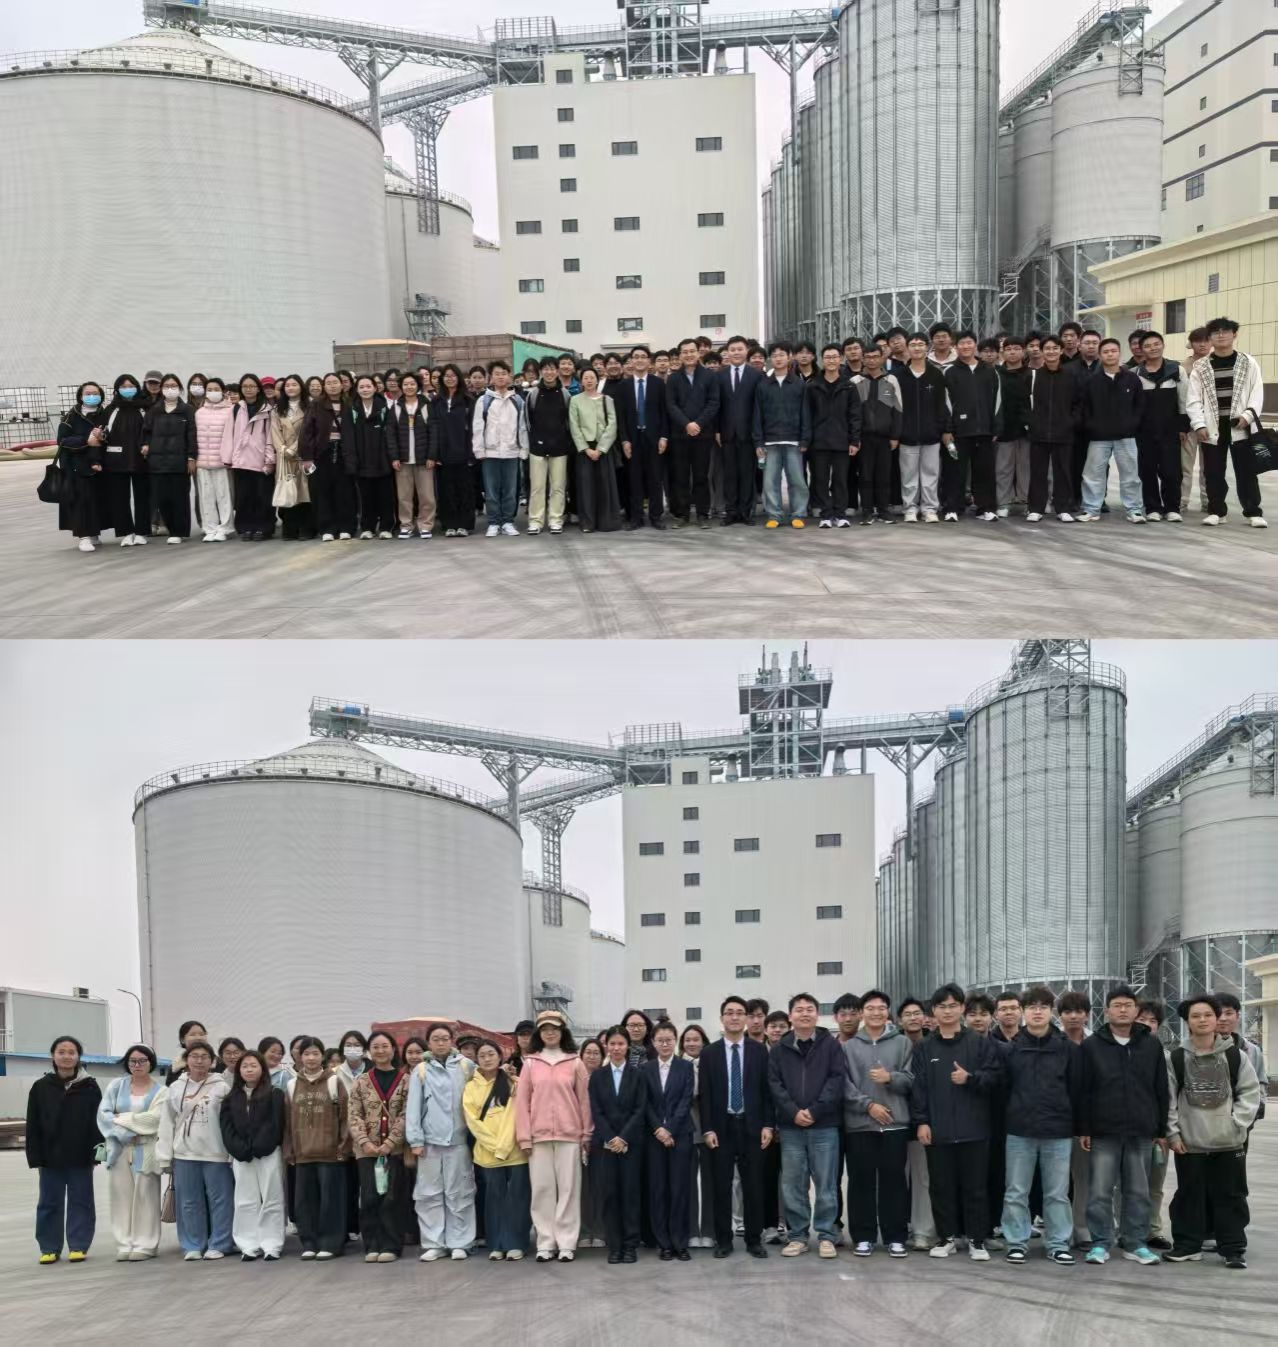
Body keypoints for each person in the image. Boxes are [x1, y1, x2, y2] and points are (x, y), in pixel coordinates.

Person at [1164, 994, 1262, 1269]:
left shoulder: (1235, 1056)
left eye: (1208, 1015)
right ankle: (1187, 1245)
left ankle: (1232, 1248)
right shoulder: (1176, 1058)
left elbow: (1250, 1093)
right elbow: (1169, 1099)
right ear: (1187, 1022)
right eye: (1195, 1016)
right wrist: (1173, 1134)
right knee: (1189, 1194)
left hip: (1228, 1141)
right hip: (1190, 1142)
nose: (1202, 1020)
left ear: (1216, 1018)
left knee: (1231, 1195)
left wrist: (1236, 1124)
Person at [910, 983, 1005, 1261]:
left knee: (976, 1188)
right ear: (934, 1011)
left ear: (962, 1008)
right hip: (938, 1130)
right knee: (941, 1187)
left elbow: (995, 1078)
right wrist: (922, 1122)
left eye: (953, 1006)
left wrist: (970, 1079)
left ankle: (977, 1240)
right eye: (942, 1006)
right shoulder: (924, 1047)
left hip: (974, 1129)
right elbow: (919, 1088)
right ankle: (947, 1237)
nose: (948, 1011)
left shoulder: (979, 1043)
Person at [1077, 985, 1168, 1266]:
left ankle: (1135, 1243)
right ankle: (1100, 1243)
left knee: (1139, 1192)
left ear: (1136, 1010)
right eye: (1117, 1005)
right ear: (1107, 1011)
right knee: (1100, 1191)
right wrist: (1084, 1128)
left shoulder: (1150, 1044)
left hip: (1141, 1131)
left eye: (1128, 1005)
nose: (1123, 1010)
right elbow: (1083, 1090)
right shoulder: (1092, 1046)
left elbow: (1160, 1088)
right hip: (1104, 1131)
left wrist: (1160, 1130)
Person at [999, 987, 1080, 1266]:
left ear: (1051, 1011)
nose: (1037, 1012)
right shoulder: (1011, 1049)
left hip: (1057, 1131)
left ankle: (1057, 1244)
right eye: (1031, 1007)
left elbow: (1076, 1090)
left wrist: (1074, 1125)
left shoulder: (1067, 1048)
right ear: (1023, 1012)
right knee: (1016, 1191)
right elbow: (1003, 1089)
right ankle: (1016, 1242)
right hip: (1019, 1130)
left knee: (1057, 1193)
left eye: (1043, 1007)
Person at [769, 993, 847, 1259]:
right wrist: (793, 1112)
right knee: (793, 1185)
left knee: (826, 1184)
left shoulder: (831, 1046)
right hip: (791, 1128)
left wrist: (814, 1111)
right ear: (790, 1016)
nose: (804, 1013)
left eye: (809, 1009)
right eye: (799, 1009)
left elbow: (836, 1081)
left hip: (824, 1126)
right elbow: (775, 1085)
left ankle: (826, 1235)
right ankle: (798, 1236)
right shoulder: (779, 1049)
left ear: (817, 1014)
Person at [699, 995, 775, 1258]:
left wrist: (768, 1125)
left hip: (752, 1127)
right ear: (722, 1018)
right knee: (721, 1186)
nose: (734, 1017)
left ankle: (754, 1240)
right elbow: (705, 1095)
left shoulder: (759, 1051)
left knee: (753, 1185)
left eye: (739, 1012)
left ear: (746, 1018)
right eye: (729, 1012)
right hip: (721, 1129)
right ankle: (724, 1240)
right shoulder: (709, 1053)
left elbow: (767, 1092)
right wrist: (707, 1129)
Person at [514, 1010, 592, 1262]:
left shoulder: (575, 1062)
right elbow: (522, 1103)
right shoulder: (530, 1063)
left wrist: (586, 1134)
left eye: (554, 1029)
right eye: (545, 1029)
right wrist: (524, 1137)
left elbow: (584, 1102)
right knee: (542, 1190)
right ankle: (545, 1243)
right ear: (539, 1033)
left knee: (569, 1190)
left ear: (562, 1032)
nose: (550, 1033)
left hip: (570, 1136)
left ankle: (567, 1243)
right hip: (538, 1138)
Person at [842, 989, 914, 1258]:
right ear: (862, 1013)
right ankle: (863, 1236)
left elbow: (911, 1079)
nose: (876, 1013)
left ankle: (895, 1237)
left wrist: (890, 1078)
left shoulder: (903, 1043)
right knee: (860, 1181)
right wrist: (868, 1106)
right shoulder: (848, 1047)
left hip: (895, 1123)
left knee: (894, 1181)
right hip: (860, 1125)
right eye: (870, 1008)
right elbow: (843, 1085)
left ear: (888, 1012)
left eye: (881, 1008)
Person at [156, 1039, 235, 1260]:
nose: (199, 1061)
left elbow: (230, 1122)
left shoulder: (222, 1087)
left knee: (221, 1201)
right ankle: (192, 1244)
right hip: (184, 1154)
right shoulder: (175, 1088)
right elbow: (167, 1123)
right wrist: (165, 1156)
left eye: (204, 1057)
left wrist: (232, 1152)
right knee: (188, 1202)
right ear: (186, 1060)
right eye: (194, 1056)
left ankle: (220, 1243)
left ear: (212, 1061)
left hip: (217, 1153)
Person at [27, 1036, 103, 1263]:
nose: (67, 1056)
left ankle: (78, 1245)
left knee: (82, 1201)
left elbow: (98, 1122)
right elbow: (33, 1124)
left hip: (81, 1156)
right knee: (49, 1203)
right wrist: (35, 1157)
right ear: (53, 1056)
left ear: (78, 1057)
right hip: (50, 1157)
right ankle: (49, 1248)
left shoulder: (90, 1086)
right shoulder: (40, 1087)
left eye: (71, 1052)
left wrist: (97, 1153)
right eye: (61, 1052)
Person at [1186, 315, 1267, 527]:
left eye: (1225, 331)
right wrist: (1199, 424)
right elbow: (1193, 399)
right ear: (1210, 338)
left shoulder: (1248, 362)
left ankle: (1253, 512)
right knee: (1213, 472)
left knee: (1246, 470)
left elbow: (1257, 392)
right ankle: (1217, 511)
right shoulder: (1201, 366)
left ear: (1234, 334)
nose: (1221, 335)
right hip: (1212, 426)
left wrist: (1248, 416)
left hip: (1240, 425)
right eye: (1215, 332)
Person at [406, 1022, 476, 1261]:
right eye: (435, 1039)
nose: (441, 1043)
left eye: (445, 1038)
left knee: (460, 1192)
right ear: (429, 1042)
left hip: (458, 1140)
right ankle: (434, 1243)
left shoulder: (466, 1066)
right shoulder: (421, 1070)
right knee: (429, 1194)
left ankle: (460, 1242)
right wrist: (415, 1140)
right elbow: (413, 1108)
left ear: (451, 1040)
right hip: (429, 1142)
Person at [96, 1044, 166, 1262]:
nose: (137, 1065)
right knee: (121, 1196)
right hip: (119, 1150)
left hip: (146, 1149)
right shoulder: (116, 1086)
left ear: (151, 1063)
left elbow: (154, 1120)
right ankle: (124, 1243)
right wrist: (125, 1130)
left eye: (142, 1060)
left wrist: (122, 1118)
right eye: (133, 1061)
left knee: (146, 1197)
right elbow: (103, 1115)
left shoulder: (161, 1091)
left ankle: (145, 1244)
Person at [464, 1039, 531, 1261]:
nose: (487, 1059)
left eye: (491, 1054)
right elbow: (472, 1121)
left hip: (515, 1151)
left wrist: (503, 1146)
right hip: (487, 1153)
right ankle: (497, 1243)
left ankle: (516, 1243)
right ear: (476, 1059)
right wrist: (494, 1146)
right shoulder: (470, 1087)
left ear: (500, 1056)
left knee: (518, 1198)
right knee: (493, 1200)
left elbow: (515, 1116)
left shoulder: (514, 1082)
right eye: (482, 1055)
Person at [284, 1037, 349, 1259]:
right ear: (299, 1057)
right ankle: (309, 1243)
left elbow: (345, 1117)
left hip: (330, 1154)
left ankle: (331, 1243)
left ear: (322, 1056)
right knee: (305, 1202)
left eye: (315, 1053)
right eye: (306, 1054)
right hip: (303, 1154)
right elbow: (287, 1122)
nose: (311, 1058)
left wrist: (342, 1147)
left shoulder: (334, 1082)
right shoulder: (292, 1085)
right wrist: (290, 1150)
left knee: (331, 1201)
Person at [347, 1030, 409, 1262]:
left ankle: (391, 1245)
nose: (380, 1051)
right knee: (369, 1197)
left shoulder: (406, 1080)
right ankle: (372, 1244)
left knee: (391, 1198)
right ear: (369, 1052)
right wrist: (365, 1142)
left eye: (385, 1046)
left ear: (393, 1049)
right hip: (367, 1151)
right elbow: (354, 1114)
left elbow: (406, 1114)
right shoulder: (360, 1081)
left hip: (394, 1150)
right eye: (375, 1047)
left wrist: (391, 1142)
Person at [219, 1049, 287, 1262]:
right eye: (245, 1066)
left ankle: (272, 1244)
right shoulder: (231, 1098)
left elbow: (276, 1124)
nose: (249, 1070)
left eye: (253, 1065)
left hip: (268, 1153)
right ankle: (248, 1244)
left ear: (262, 1069)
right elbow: (227, 1128)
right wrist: (240, 1149)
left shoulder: (275, 1093)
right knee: (244, 1200)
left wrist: (260, 1146)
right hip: (242, 1156)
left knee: (272, 1198)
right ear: (239, 1071)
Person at [588, 1026, 646, 1263]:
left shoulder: (638, 1075)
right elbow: (596, 1110)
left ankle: (630, 1245)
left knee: (630, 1194)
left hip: (630, 1145)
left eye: (621, 1044)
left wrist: (623, 1138)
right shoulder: (597, 1076)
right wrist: (611, 1138)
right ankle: (614, 1246)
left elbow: (640, 1109)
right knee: (610, 1195)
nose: (616, 1048)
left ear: (627, 1046)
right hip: (606, 1145)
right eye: (612, 1044)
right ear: (606, 1046)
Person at [641, 1020, 695, 1261]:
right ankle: (663, 1243)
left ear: (675, 1041)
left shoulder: (685, 1067)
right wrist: (659, 1130)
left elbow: (686, 1101)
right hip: (654, 1138)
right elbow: (644, 1103)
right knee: (658, 1190)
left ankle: (680, 1242)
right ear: (653, 1043)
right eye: (660, 1040)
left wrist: (670, 1129)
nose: (665, 1044)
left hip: (680, 1135)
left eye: (669, 1040)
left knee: (679, 1189)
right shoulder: (645, 1069)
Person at [1077, 338, 1145, 523]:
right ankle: (1091, 509)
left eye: (1113, 351)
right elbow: (1084, 408)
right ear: (1100, 356)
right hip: (1098, 437)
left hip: (1126, 436)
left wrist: (1132, 424)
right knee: (1093, 474)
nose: (1110, 354)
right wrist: (1091, 426)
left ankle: (1134, 510)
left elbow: (1139, 405)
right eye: (1106, 352)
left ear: (1119, 353)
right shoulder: (1091, 381)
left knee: (1131, 475)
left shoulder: (1132, 379)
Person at [942, 331, 1001, 522]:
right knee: (954, 471)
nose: (965, 346)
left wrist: (995, 427)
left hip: (984, 431)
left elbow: (998, 401)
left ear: (975, 345)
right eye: (962, 343)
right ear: (955, 347)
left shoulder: (989, 371)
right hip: (958, 432)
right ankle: (952, 507)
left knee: (985, 471)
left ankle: (986, 508)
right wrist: (947, 429)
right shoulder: (949, 372)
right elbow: (945, 403)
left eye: (969, 343)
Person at [800, 344, 861, 529]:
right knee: (820, 479)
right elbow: (806, 415)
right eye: (828, 357)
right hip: (819, 442)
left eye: (835, 357)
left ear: (840, 359)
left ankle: (840, 514)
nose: (831, 360)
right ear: (822, 360)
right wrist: (806, 440)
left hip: (842, 441)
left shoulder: (849, 386)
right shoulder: (813, 386)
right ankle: (826, 514)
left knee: (840, 480)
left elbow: (855, 415)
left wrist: (854, 440)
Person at [665, 336, 721, 527]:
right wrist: (686, 424)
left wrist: (697, 423)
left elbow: (713, 403)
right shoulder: (673, 378)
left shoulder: (710, 377)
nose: (688, 355)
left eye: (692, 351)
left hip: (703, 434)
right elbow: (671, 405)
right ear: (680, 355)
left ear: (698, 353)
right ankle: (682, 514)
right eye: (685, 352)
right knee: (681, 476)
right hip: (679, 435)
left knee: (701, 476)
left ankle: (703, 514)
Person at [751, 341, 808, 529]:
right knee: (770, 481)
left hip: (793, 440)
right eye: (774, 355)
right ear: (770, 359)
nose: (778, 358)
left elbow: (805, 413)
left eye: (782, 354)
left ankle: (798, 514)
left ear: (789, 357)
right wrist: (758, 441)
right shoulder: (763, 385)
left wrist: (805, 438)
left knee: (797, 480)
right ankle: (774, 515)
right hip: (770, 441)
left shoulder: (799, 384)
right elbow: (757, 414)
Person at [1132, 331, 1187, 522]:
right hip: (1144, 431)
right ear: (1141, 350)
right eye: (1147, 346)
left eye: (1156, 344)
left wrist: (1183, 427)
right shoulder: (1136, 373)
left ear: (1163, 345)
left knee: (1171, 470)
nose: (1153, 348)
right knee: (1147, 470)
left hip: (1170, 430)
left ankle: (1172, 507)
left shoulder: (1176, 370)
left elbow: (1184, 400)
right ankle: (1152, 507)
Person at [615, 345, 670, 530]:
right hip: (632, 439)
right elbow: (620, 416)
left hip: (654, 438)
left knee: (655, 478)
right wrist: (624, 439)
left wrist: (664, 436)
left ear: (649, 361)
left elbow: (664, 413)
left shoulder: (658, 384)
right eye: (636, 357)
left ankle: (656, 516)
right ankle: (636, 517)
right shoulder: (623, 386)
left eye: (643, 357)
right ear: (631, 361)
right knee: (634, 479)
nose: (639, 360)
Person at [472, 360, 527, 538]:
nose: (501, 377)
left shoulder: (517, 400)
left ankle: (508, 521)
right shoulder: (484, 400)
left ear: (509, 376)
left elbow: (522, 427)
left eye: (504, 373)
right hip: (490, 452)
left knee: (511, 490)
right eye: (497, 374)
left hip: (511, 451)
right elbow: (478, 426)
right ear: (491, 378)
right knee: (491, 490)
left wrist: (523, 449)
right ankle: (494, 522)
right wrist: (479, 449)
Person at [897, 334, 949, 523]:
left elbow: (942, 405)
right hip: (907, 435)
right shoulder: (899, 376)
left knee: (931, 474)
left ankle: (929, 509)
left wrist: (944, 429)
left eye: (920, 344)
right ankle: (910, 508)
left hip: (931, 434)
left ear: (927, 348)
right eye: (913, 345)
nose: (917, 348)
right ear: (907, 348)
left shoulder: (936, 375)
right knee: (908, 475)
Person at [1025, 335, 1077, 522]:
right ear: (1042, 351)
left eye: (1055, 348)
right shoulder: (1034, 376)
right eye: (1047, 348)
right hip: (1038, 433)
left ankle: (1063, 508)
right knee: (1037, 472)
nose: (1051, 351)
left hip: (1064, 433)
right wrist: (1032, 423)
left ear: (1061, 351)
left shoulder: (1071, 375)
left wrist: (1071, 422)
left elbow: (1078, 403)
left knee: (1063, 472)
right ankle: (1036, 508)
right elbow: (1025, 403)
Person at [300, 373, 357, 541]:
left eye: (335, 382)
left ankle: (346, 527)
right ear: (324, 386)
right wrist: (307, 457)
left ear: (342, 385)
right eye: (329, 383)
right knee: (322, 492)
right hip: (322, 453)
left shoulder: (350, 403)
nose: (332, 386)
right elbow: (306, 431)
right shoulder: (316, 404)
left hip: (344, 452)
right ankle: (327, 528)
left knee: (345, 491)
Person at [140, 374, 197, 542]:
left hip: (179, 462)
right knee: (162, 498)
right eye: (167, 386)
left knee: (179, 498)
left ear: (180, 389)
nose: (170, 389)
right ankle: (170, 527)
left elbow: (192, 435)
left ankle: (178, 532)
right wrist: (145, 445)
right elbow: (146, 432)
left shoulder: (187, 410)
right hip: (157, 462)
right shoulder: (154, 410)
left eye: (174, 386)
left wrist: (191, 457)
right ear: (162, 389)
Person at [1136, 998, 1173, 1251]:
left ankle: (1153, 1229)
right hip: (1130, 1131)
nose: (1148, 1025)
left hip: (1159, 1132)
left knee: (1155, 1185)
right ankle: (1125, 1228)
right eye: (1143, 1019)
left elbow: (1170, 1096)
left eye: (1153, 1021)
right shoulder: (1121, 1051)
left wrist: (1165, 1130)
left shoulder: (1166, 1056)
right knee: (1125, 1184)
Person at [716, 335, 765, 525]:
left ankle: (745, 512)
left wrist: (758, 434)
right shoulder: (719, 376)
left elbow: (759, 408)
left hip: (748, 433)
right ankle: (731, 512)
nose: (736, 353)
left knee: (747, 474)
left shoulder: (756, 375)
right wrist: (717, 430)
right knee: (729, 475)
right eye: (732, 349)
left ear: (747, 351)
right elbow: (716, 406)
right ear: (727, 352)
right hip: (726, 433)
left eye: (740, 349)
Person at [54, 383, 108, 552]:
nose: (92, 396)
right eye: (88, 393)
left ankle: (94, 533)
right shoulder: (71, 416)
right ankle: (83, 537)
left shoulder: (105, 414)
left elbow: (113, 435)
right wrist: (86, 440)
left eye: (95, 393)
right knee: (81, 500)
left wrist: (103, 437)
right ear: (80, 396)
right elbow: (62, 440)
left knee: (97, 499)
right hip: (76, 466)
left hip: (101, 464)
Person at [852, 346, 902, 525]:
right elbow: (851, 412)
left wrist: (895, 436)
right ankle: (866, 511)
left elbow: (898, 410)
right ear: (863, 359)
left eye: (875, 357)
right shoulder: (855, 381)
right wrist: (854, 438)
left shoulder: (891, 380)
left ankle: (883, 510)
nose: (871, 360)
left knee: (884, 475)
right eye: (868, 357)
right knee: (865, 475)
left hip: (885, 438)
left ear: (882, 358)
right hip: (864, 438)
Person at [568, 366, 622, 533]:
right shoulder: (575, 400)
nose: (589, 380)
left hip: (603, 448)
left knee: (605, 485)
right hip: (585, 449)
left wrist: (601, 448)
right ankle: (587, 522)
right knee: (586, 487)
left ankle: (606, 522)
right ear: (581, 381)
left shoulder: (607, 400)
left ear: (597, 380)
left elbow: (612, 425)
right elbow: (574, 426)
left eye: (592, 377)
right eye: (586, 378)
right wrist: (586, 448)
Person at [99, 374, 151, 546]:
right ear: (117, 390)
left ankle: (142, 532)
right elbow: (103, 433)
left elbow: (152, 431)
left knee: (142, 497)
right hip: (116, 461)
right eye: (123, 386)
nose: (127, 389)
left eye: (131, 386)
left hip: (142, 460)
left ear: (137, 387)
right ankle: (126, 533)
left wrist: (148, 445)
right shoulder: (111, 410)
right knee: (120, 498)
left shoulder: (145, 408)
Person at [525, 357, 573, 535]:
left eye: (552, 369)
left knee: (558, 487)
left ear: (557, 371)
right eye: (545, 369)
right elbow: (527, 421)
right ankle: (535, 521)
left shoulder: (565, 394)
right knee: (537, 487)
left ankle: (555, 519)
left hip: (559, 447)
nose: (549, 372)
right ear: (540, 372)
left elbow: (569, 421)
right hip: (537, 447)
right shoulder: (533, 394)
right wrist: (532, 441)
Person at [679, 1024, 716, 1248]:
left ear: (704, 1042)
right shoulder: (677, 1066)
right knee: (688, 1184)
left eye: (696, 1039)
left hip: (711, 1131)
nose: (692, 1043)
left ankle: (709, 1231)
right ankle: (691, 1230)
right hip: (685, 1131)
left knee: (710, 1184)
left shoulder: (712, 1064)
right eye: (688, 1040)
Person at [228, 374, 275, 541]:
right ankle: (246, 528)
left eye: (252, 386)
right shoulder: (236, 409)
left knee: (263, 496)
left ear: (258, 388)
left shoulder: (267, 409)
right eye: (245, 386)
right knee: (244, 497)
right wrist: (229, 457)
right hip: (241, 461)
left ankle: (264, 528)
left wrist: (270, 460)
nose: (248, 389)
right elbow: (229, 434)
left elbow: (271, 436)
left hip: (260, 460)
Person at [431, 364, 476, 538]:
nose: (450, 378)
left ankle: (464, 524)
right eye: (446, 376)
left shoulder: (467, 400)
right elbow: (433, 428)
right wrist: (435, 453)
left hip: (463, 451)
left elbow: (473, 428)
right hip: (443, 453)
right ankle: (449, 524)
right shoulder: (436, 401)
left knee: (464, 490)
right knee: (446, 490)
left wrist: (472, 452)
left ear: (459, 378)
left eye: (453, 375)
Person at [347, 375, 393, 540]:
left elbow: (390, 434)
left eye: (368, 386)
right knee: (366, 497)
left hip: (382, 460)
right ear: (357, 389)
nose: (365, 390)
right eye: (361, 387)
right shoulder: (352, 409)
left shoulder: (384, 408)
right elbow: (349, 436)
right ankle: (368, 527)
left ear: (375, 388)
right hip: (362, 460)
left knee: (385, 496)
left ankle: (386, 527)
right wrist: (352, 460)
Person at [270, 374, 312, 540]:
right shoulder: (277, 410)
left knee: (304, 493)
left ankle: (306, 529)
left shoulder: (309, 407)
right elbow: (274, 432)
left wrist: (293, 449)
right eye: (287, 385)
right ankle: (289, 529)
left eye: (294, 384)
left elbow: (308, 431)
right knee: (287, 491)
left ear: (301, 387)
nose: (291, 388)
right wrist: (283, 449)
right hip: (284, 457)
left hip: (303, 454)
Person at [995, 337, 1032, 516]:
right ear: (1003, 352)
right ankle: (1003, 502)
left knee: (1026, 467)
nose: (1012, 352)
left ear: (1023, 352)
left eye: (1016, 348)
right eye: (1008, 349)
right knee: (1003, 467)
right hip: (1004, 427)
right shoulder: (996, 374)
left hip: (1026, 428)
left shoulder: (1031, 374)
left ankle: (1026, 501)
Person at [1179, 326, 1213, 513]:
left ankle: (1208, 500)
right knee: (1185, 465)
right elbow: (1180, 399)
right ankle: (1182, 501)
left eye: (1206, 340)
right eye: (1198, 341)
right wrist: (1182, 425)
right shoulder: (1183, 368)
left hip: (1211, 423)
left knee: (1209, 465)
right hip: (1189, 424)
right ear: (1191, 344)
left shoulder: (1216, 364)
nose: (1202, 344)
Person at [576, 1040, 606, 1247]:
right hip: (576, 1137)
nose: (592, 1056)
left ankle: (601, 1230)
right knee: (581, 1188)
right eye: (588, 1052)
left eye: (596, 1053)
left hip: (601, 1138)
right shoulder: (573, 1078)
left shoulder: (605, 1077)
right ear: (581, 1055)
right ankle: (584, 1231)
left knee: (600, 1186)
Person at [166, 1021, 210, 1086]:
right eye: (192, 1034)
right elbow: (170, 1089)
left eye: (201, 1034)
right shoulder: (176, 1067)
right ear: (182, 1040)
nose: (198, 1038)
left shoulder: (216, 1063)